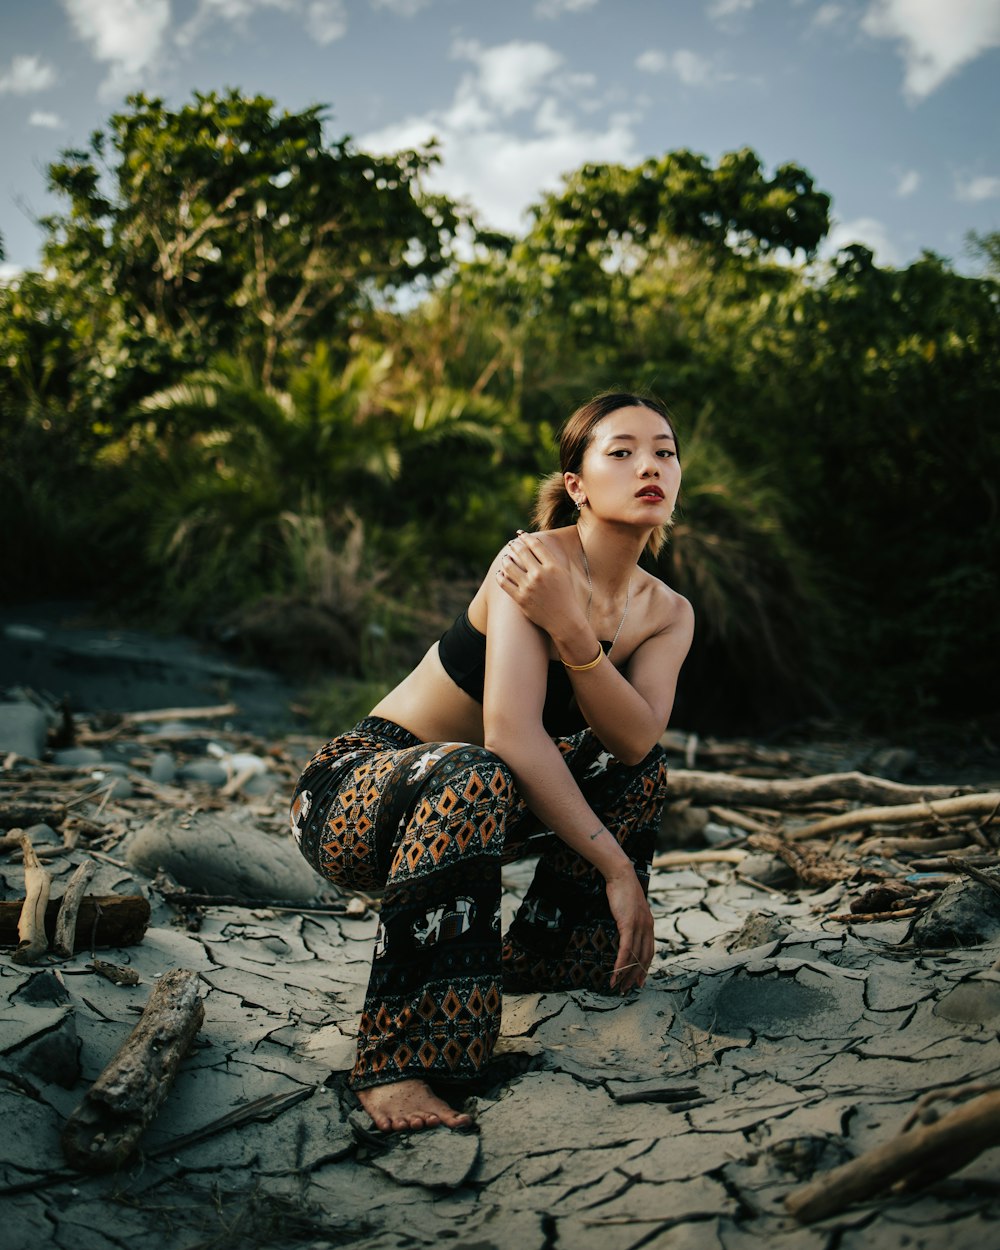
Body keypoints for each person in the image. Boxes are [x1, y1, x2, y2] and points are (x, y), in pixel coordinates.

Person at [290, 391, 693, 1133]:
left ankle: (544, 959)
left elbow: (636, 741)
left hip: (479, 808)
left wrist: (576, 637)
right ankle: (397, 1063)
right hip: (357, 795)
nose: (650, 467)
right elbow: (509, 734)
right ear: (576, 485)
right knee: (475, 768)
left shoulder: (667, 611)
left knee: (635, 771)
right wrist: (617, 869)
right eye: (622, 451)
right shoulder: (528, 562)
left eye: (664, 451)